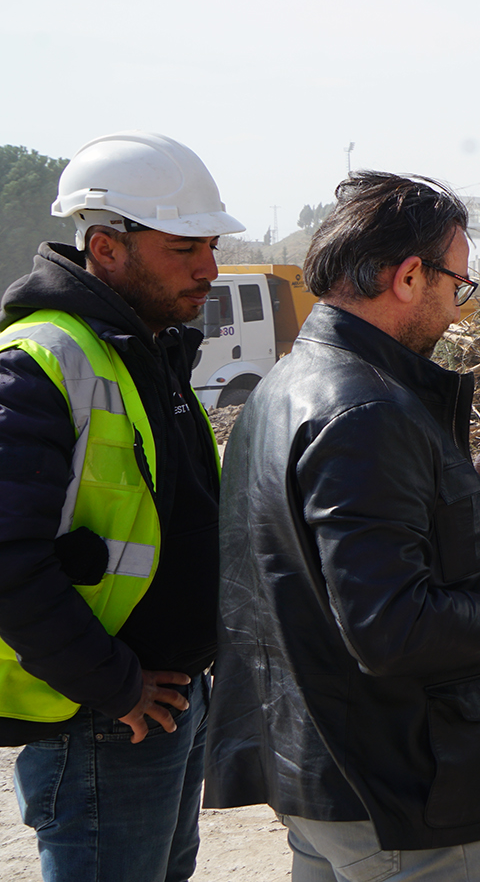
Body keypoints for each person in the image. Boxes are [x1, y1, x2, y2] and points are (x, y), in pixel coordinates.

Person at [203, 172, 480, 881]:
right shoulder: (366, 411)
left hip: (327, 775)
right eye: (458, 286)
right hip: (403, 791)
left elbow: (323, 556)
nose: (457, 310)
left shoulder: (286, 385)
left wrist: (469, 489)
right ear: (409, 276)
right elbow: (391, 627)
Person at [0, 132, 244, 882]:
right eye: (185, 248)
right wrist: (117, 683)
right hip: (101, 718)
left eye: (210, 244)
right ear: (106, 248)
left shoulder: (148, 348)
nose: (209, 267)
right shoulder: (43, 359)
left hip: (162, 704)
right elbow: (7, 561)